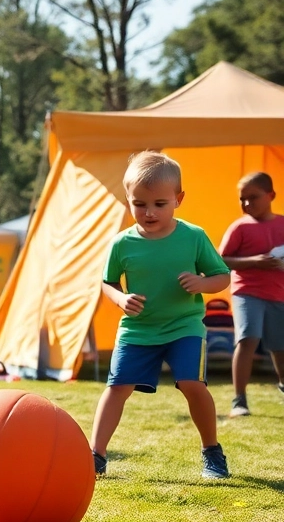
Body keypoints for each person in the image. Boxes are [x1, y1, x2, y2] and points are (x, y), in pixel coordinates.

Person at [90, 151, 231, 479]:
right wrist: (120, 298)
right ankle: (95, 455)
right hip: (137, 330)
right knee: (117, 387)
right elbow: (108, 282)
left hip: (185, 327)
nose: (149, 212)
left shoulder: (193, 237)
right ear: (128, 200)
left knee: (192, 383)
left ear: (178, 199)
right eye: (139, 204)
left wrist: (202, 283)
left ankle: (212, 451)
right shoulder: (121, 243)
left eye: (159, 204)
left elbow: (222, 277)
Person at [218, 172, 284, 418]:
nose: (246, 203)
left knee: (280, 346)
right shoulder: (240, 227)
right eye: (242, 199)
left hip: (278, 294)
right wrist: (255, 261)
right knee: (248, 340)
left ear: (271, 195)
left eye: (253, 197)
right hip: (246, 292)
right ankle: (239, 400)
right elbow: (221, 260)